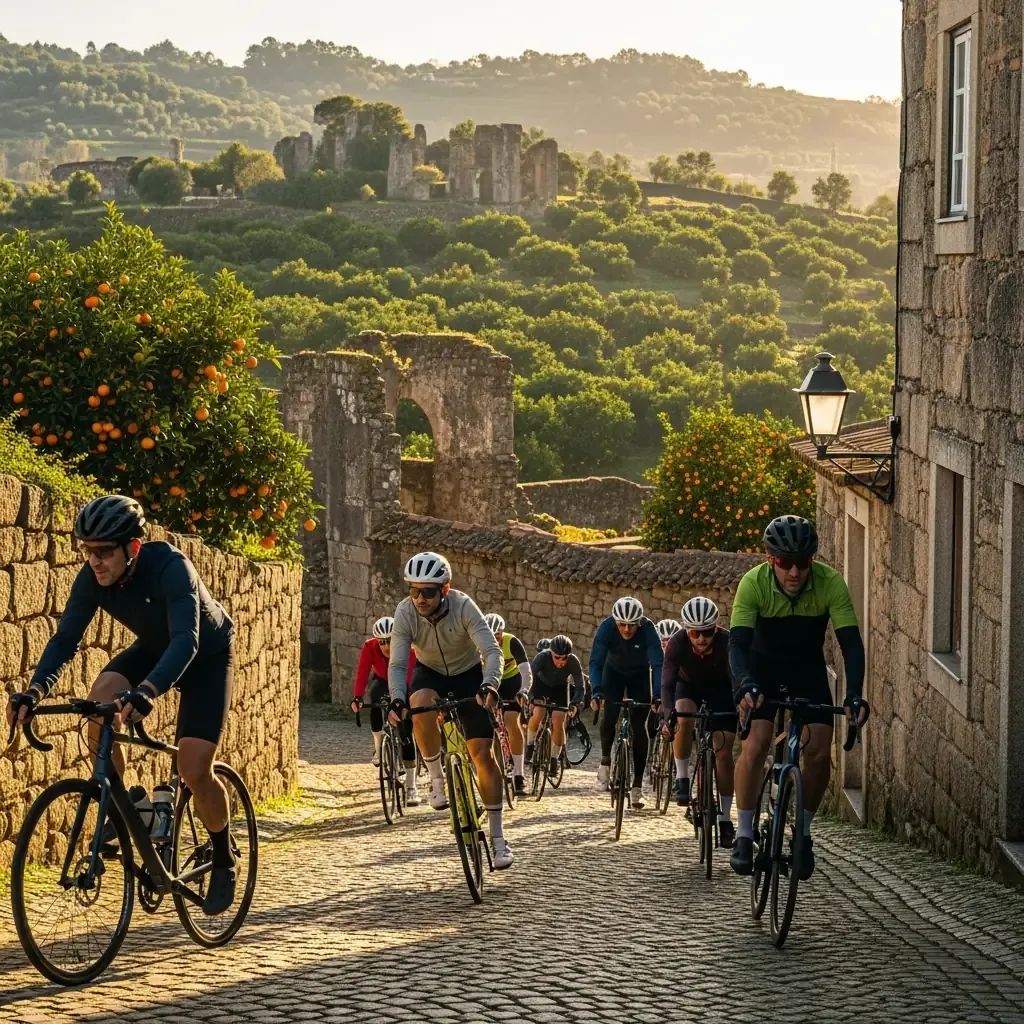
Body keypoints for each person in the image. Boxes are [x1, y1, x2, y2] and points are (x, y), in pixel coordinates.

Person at [6, 495, 238, 916]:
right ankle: (133, 807)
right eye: (87, 551)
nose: (94, 561)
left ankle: (223, 857)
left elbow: (188, 639)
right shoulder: (92, 578)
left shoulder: (171, 567)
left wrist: (148, 691)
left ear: (133, 547)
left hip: (206, 657)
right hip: (153, 647)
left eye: (104, 552)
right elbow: (66, 639)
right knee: (99, 703)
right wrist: (35, 690)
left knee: (193, 767)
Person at [728, 515, 870, 879]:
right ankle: (744, 834)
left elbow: (851, 645)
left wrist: (854, 695)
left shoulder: (830, 584)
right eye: (784, 563)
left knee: (821, 752)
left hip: (807, 671)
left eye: (802, 563)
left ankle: (803, 833)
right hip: (762, 671)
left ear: (812, 561)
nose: (794, 572)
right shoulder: (752, 584)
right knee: (757, 743)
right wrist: (744, 684)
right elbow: (739, 644)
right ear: (769, 559)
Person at [387, 551, 514, 869]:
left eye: (427, 591)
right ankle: (437, 779)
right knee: (419, 704)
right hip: (430, 673)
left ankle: (498, 839)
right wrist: (397, 698)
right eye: (413, 591)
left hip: (468, 674)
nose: (419, 598)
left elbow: (491, 651)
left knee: (482, 754)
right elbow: (399, 662)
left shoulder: (463, 606)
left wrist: (490, 685)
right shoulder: (405, 612)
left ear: (444, 590)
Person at [660, 596, 737, 848]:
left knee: (724, 752)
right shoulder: (677, 644)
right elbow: (667, 683)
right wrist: (668, 715)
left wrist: (740, 710)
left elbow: (736, 681)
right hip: (688, 687)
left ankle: (726, 818)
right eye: (695, 633)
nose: (701, 639)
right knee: (682, 714)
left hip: (722, 691)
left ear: (716, 629)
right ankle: (682, 779)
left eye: (707, 632)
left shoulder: (727, 644)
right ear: (686, 630)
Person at [588, 596, 663, 808]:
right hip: (613, 673)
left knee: (640, 727)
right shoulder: (606, 628)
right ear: (615, 622)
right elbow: (595, 662)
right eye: (622, 624)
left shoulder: (648, 629)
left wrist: (657, 695)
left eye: (632, 625)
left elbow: (658, 664)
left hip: (640, 676)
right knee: (609, 716)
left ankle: (637, 786)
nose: (627, 630)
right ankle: (605, 762)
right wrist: (596, 691)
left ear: (640, 622)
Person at [350, 616, 420, 806]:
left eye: (390, 641)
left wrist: (402, 702)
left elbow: (410, 674)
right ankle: (379, 746)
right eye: (382, 642)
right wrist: (357, 696)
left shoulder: (408, 648)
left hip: (404, 682)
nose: (386, 646)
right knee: (374, 700)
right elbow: (363, 672)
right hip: (382, 680)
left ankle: (412, 786)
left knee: (406, 730)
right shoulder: (369, 647)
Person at [483, 613, 532, 798]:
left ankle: (519, 775)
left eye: (497, 635)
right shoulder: (477, 643)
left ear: (502, 633)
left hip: (512, 681)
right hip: (491, 681)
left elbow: (526, 671)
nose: (494, 639)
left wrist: (524, 691)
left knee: (512, 722)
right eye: (490, 635)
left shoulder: (512, 642)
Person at [526, 634, 584, 775]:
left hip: (560, 689)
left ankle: (554, 759)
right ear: (551, 653)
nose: (561, 661)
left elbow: (580, 686)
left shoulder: (573, 661)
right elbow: (529, 678)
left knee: (558, 720)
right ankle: (530, 744)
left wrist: (575, 704)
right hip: (540, 685)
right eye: (557, 657)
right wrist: (531, 697)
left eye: (564, 658)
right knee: (538, 712)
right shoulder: (542, 657)